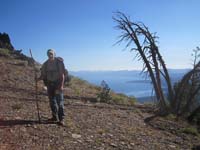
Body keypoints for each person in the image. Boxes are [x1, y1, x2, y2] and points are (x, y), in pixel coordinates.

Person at [37, 49, 65, 125]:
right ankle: (54, 117)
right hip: (49, 85)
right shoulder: (45, 64)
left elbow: (62, 75)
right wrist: (37, 79)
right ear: (47, 54)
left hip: (58, 84)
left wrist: (61, 85)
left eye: (51, 53)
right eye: (49, 54)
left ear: (54, 54)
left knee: (60, 102)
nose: (50, 55)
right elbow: (43, 75)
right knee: (52, 102)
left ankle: (61, 119)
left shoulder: (58, 62)